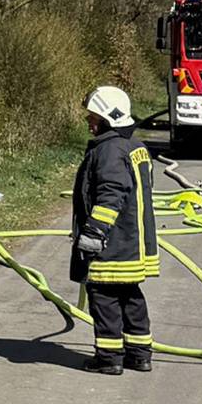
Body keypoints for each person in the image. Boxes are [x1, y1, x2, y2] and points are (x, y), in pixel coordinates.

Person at [72, 87, 160, 374]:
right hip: (135, 242)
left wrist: (95, 231)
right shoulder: (135, 147)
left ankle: (109, 358)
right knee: (130, 295)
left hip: (114, 241)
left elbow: (112, 193)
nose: (89, 122)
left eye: (94, 117)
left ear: (108, 119)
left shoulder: (109, 150)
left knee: (104, 296)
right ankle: (139, 354)